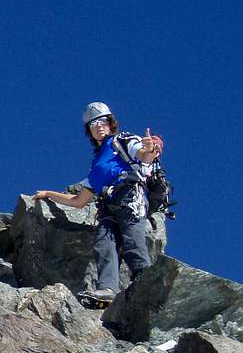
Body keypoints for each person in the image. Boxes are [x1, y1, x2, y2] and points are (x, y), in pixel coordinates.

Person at [33, 102, 163, 303]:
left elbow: (142, 155)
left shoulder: (123, 139)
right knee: (104, 245)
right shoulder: (97, 165)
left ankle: (147, 289)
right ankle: (108, 289)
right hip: (107, 205)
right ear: (89, 131)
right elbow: (79, 200)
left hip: (130, 197)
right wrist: (49, 194)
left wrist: (149, 150)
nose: (99, 126)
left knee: (133, 242)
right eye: (93, 124)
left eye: (103, 121)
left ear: (111, 124)